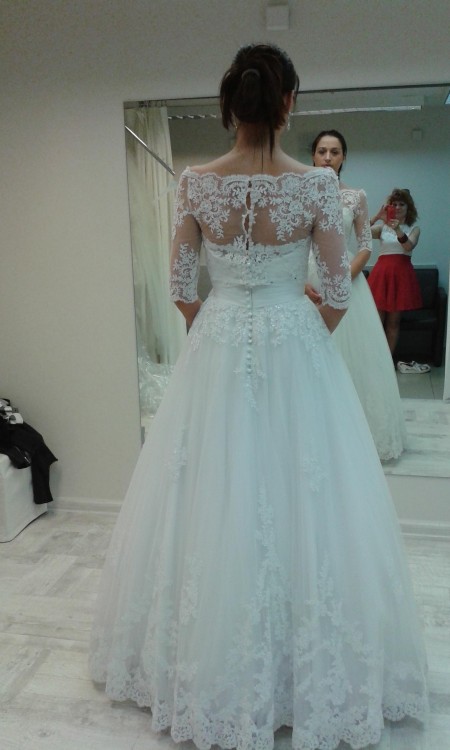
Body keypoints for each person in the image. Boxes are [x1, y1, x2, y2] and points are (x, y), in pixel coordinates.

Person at [89, 45, 427, 750]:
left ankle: (205, 665)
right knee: (306, 498)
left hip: (216, 342)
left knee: (213, 495)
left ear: (229, 104)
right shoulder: (316, 187)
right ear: (289, 104)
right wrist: (301, 338)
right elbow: (337, 291)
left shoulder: (195, 183)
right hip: (295, 342)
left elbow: (180, 286)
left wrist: (214, 330)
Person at [309, 130, 406, 460]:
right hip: (306, 283)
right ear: (313, 156)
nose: (327, 157)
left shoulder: (355, 197)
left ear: (343, 158)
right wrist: (300, 283)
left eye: (334, 151)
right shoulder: (299, 194)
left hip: (347, 278)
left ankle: (353, 439)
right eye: (322, 151)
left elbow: (365, 244)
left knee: (351, 360)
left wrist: (342, 278)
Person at [368, 189, 422, 359]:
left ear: (408, 207)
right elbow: (361, 233)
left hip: (401, 276)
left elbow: (408, 246)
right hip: (381, 275)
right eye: (394, 204)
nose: (397, 207)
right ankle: (374, 359)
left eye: (401, 204)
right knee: (377, 322)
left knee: (393, 323)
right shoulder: (382, 228)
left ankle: (387, 362)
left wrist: (397, 228)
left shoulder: (414, 228)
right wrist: (377, 217)